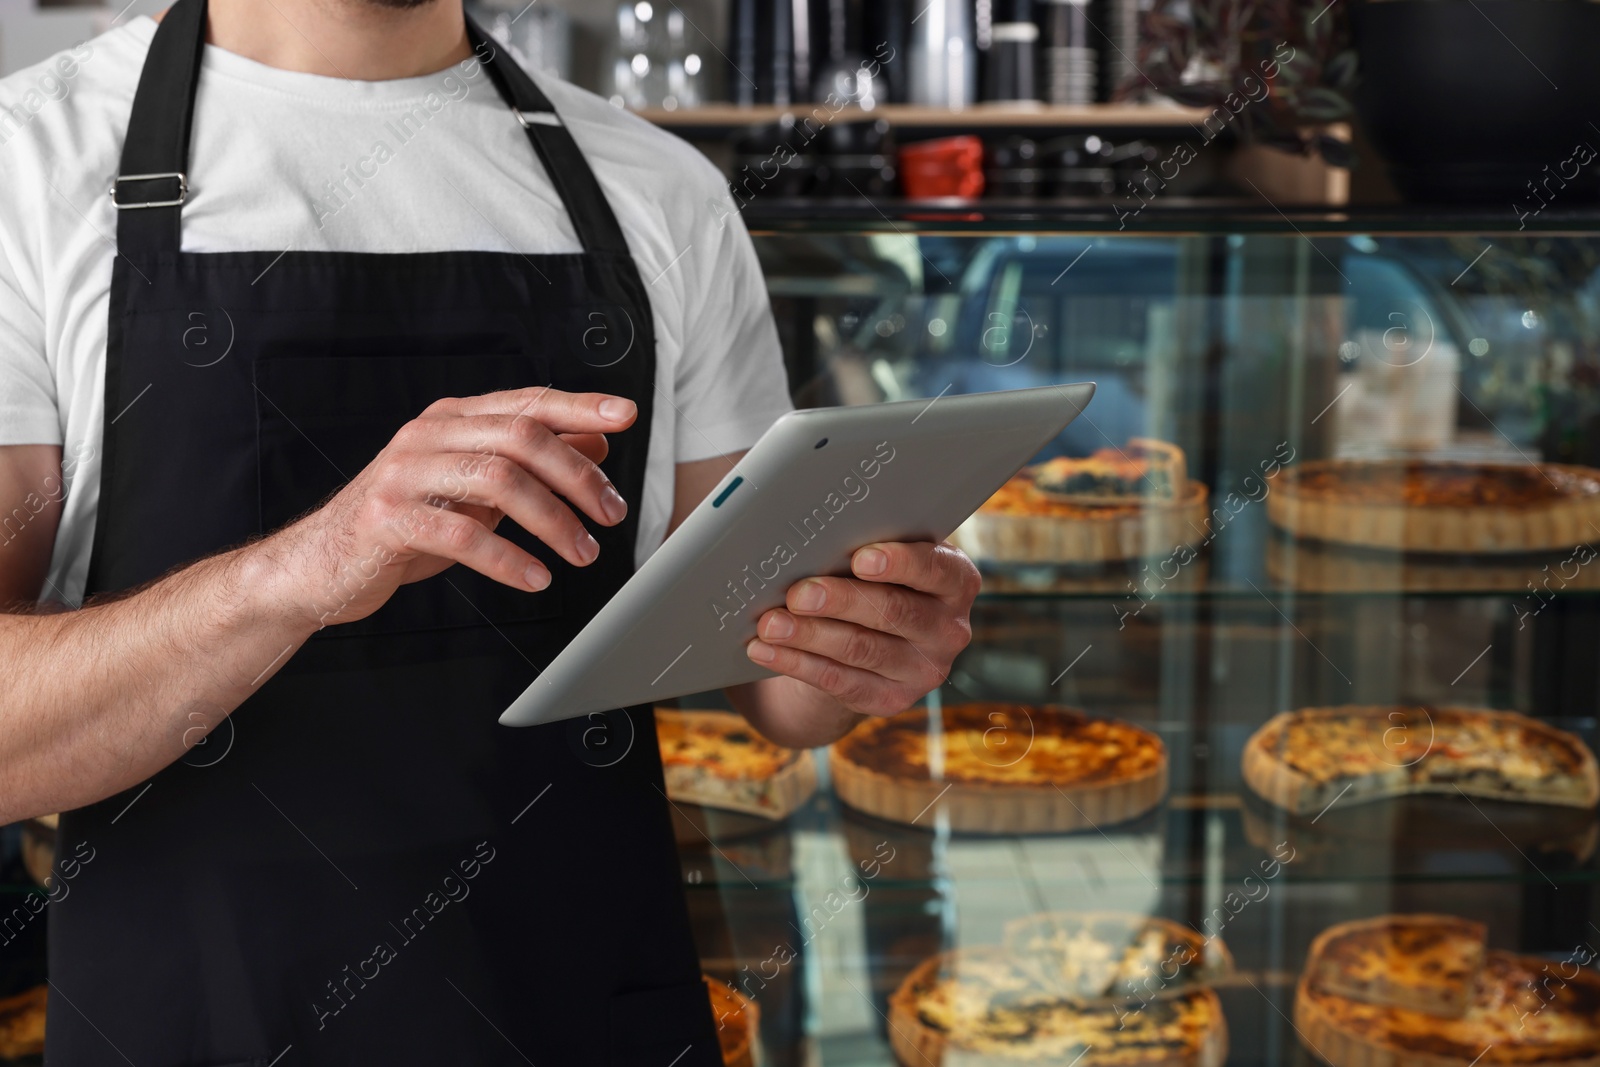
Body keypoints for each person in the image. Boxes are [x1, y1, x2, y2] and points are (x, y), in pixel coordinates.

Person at [0, 0, 980, 1062]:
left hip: (577, 1006)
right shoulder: (30, 160)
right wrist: (305, 569)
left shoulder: (657, 188)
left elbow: (784, 687)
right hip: (202, 1017)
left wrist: (870, 631)